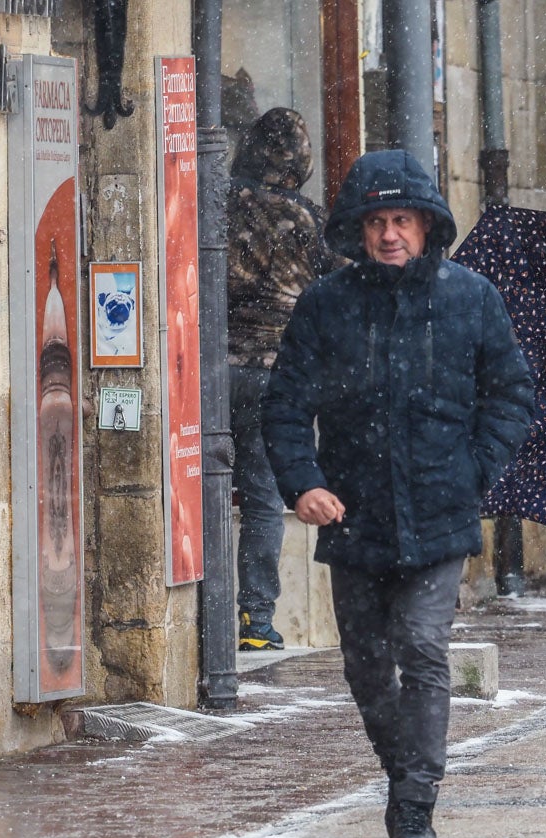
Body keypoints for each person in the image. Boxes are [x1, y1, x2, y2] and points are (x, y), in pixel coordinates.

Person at [262, 149, 533, 838]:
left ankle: (415, 804)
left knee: (421, 646)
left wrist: (474, 470)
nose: (390, 234)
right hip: (353, 513)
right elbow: (284, 406)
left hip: (442, 511)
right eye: (377, 221)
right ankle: (402, 770)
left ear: (426, 226)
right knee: (364, 664)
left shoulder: (469, 298)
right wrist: (305, 483)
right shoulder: (326, 305)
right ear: (358, 229)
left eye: (403, 220)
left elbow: (510, 394)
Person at [227, 108, 341, 651]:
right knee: (262, 498)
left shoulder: (220, 202)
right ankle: (256, 618)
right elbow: (339, 289)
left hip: (211, 370)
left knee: (196, 485)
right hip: (273, 375)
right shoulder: (310, 220)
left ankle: (203, 607)